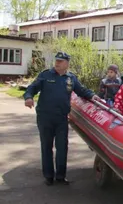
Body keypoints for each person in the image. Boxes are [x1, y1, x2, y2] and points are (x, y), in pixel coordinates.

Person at [23, 52, 101, 186]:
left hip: (61, 118)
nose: (57, 63)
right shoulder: (46, 75)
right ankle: (48, 176)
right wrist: (28, 97)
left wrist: (92, 96)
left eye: (60, 61)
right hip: (45, 117)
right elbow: (32, 88)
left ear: (67, 64)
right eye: (56, 61)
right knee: (46, 146)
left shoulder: (71, 78)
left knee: (62, 147)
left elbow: (81, 90)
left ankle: (60, 176)